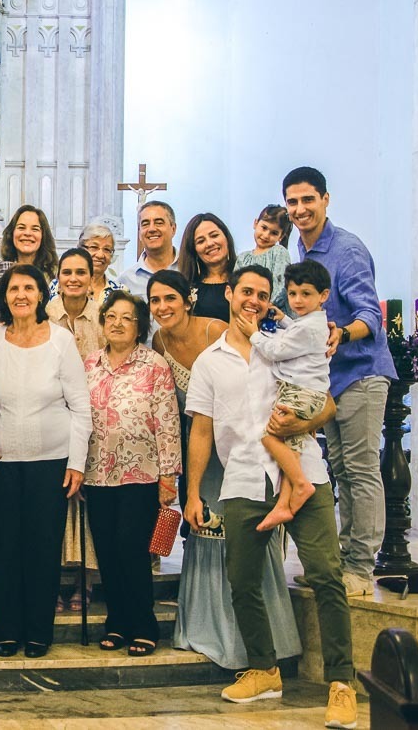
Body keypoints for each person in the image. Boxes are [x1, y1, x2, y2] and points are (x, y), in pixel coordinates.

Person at [184, 265, 356, 729]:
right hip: (241, 477)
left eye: (262, 294)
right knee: (242, 580)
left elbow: (327, 402)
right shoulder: (210, 360)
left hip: (303, 474)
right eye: (246, 292)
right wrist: (194, 492)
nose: (253, 301)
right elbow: (201, 430)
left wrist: (305, 424)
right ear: (230, 293)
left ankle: (342, 683)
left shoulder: (289, 342)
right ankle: (263, 669)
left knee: (325, 574)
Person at [148, 269, 300, 673]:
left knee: (244, 536)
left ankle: (262, 640)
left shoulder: (218, 331)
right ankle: (207, 626)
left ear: (188, 300)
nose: (163, 307)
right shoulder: (157, 340)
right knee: (205, 530)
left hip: (241, 447)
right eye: (156, 301)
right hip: (199, 444)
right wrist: (186, 484)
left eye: (171, 299)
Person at [285, 165, 397, 597]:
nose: (300, 209)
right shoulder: (302, 249)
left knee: (360, 471)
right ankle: (338, 564)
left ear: (325, 199)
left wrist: (340, 332)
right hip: (328, 381)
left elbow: (371, 314)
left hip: (361, 373)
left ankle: (359, 569)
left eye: (308, 199)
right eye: (293, 202)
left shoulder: (347, 250)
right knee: (338, 471)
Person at [0, 265, 91, 658]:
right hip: (1, 463)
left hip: (52, 461)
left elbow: (81, 407)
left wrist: (76, 463)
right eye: (14, 289)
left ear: (42, 295)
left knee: (43, 549)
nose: (22, 295)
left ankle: (38, 630)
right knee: (4, 547)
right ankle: (7, 628)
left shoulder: (61, 341)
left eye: (29, 288)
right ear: (5, 296)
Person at [83, 290, 181, 656]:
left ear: (139, 326)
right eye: (111, 316)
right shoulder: (89, 363)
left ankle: (144, 625)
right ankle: (117, 623)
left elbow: (168, 421)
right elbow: (78, 418)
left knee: (132, 549)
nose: (118, 323)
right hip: (97, 473)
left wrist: (169, 476)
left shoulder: (154, 365)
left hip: (141, 474)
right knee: (106, 551)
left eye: (127, 317)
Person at [235, 260, 332, 532]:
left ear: (323, 295)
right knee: (292, 446)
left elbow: (277, 351)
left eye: (306, 294)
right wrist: (285, 319)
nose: (298, 300)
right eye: (292, 294)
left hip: (300, 392)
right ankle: (288, 501)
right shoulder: (310, 323)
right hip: (306, 392)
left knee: (270, 434)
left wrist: (254, 334)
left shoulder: (307, 328)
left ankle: (301, 484)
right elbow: (298, 333)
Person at [45, 248, 103, 611]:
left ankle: (85, 581)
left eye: (81, 272)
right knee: (54, 503)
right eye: (67, 272)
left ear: (91, 275)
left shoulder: (102, 315)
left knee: (86, 503)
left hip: (93, 415)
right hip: (52, 415)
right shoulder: (47, 314)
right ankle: (52, 578)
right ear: (59, 276)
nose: (74, 279)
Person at [177, 212, 236, 322]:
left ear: (226, 237)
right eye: (201, 241)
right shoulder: (187, 288)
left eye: (214, 235)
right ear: (193, 250)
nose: (209, 243)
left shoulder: (245, 277)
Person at [234, 204, 292, 312]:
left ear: (281, 236)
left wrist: (265, 308)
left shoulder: (279, 252)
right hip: (247, 311)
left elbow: (282, 285)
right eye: (264, 228)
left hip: (274, 315)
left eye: (274, 233)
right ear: (256, 223)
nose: (266, 235)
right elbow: (235, 286)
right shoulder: (243, 258)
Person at [51, 221, 124, 303]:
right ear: (81, 249)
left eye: (106, 249)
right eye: (94, 247)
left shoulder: (120, 292)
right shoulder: (57, 286)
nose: (100, 255)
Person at [118, 201, 178, 301]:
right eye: (145, 224)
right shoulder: (125, 282)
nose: (151, 229)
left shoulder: (192, 270)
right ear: (139, 232)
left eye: (159, 223)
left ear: (173, 229)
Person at [0, 204, 59, 279]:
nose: (27, 233)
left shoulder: (57, 275)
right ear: (11, 233)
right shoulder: (0, 273)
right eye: (21, 228)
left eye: (35, 229)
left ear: (43, 236)